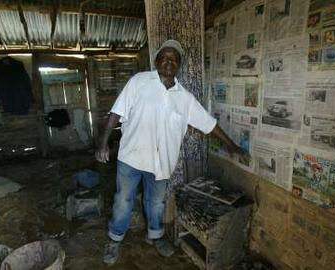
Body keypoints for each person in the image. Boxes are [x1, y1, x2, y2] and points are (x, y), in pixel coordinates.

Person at [96, 39, 245, 265]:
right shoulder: (139, 82)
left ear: (178, 66)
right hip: (132, 158)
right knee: (123, 201)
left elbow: (208, 123)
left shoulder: (184, 99)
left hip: (161, 164)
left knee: (155, 204)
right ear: (156, 61)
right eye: (164, 57)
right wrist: (103, 143)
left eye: (174, 59)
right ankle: (114, 239)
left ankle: (155, 236)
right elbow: (116, 113)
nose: (169, 61)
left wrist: (232, 145)